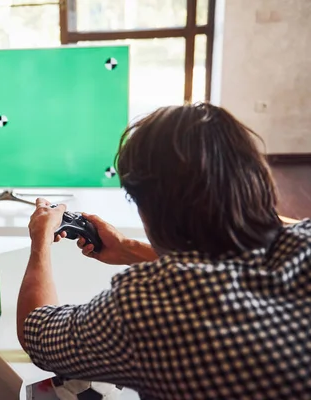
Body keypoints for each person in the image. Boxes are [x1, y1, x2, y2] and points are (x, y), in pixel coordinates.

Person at [17, 103, 311, 399]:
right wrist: (131, 250)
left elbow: (37, 334)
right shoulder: (304, 239)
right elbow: (230, 270)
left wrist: (40, 241)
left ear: (149, 208)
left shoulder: (148, 306)